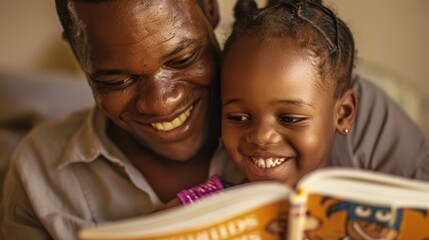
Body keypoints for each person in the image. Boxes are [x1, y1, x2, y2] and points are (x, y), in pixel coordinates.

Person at [0, 0, 428, 239]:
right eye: (116, 79)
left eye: (183, 57)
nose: (161, 103)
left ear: (209, 7)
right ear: (78, 52)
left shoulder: (338, 99)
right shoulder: (41, 175)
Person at [166, 0, 429, 207]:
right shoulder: (205, 202)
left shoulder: (378, 199)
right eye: (238, 117)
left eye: (289, 118)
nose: (261, 136)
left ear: (344, 113)